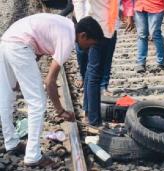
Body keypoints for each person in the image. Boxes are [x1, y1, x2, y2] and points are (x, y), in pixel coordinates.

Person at [0, 14, 103, 168]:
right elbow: (50, 82)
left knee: (6, 95)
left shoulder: (66, 25)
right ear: (83, 35)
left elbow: (40, 46)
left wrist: (20, 74)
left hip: (7, 40)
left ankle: (11, 142)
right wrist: (60, 110)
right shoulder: (68, 40)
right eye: (90, 44)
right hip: (20, 45)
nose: (88, 49)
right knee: (37, 102)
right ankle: (33, 155)